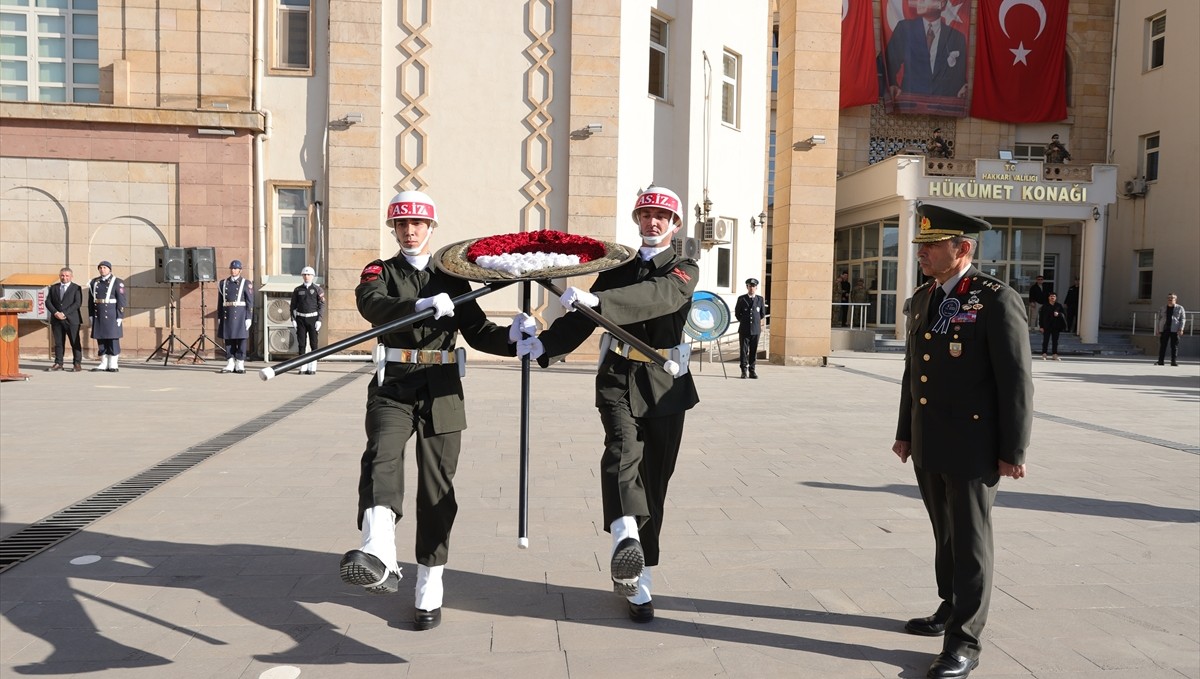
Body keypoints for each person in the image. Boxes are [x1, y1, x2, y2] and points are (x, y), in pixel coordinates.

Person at [339, 190, 530, 632]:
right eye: (402, 224)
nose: (410, 231)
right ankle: (379, 552)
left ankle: (430, 579)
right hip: (395, 385)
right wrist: (418, 306)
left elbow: (478, 331)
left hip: (443, 388)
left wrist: (514, 338)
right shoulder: (380, 271)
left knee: (437, 487)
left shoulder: (453, 278)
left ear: (431, 228)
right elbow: (372, 305)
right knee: (381, 458)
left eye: (418, 224)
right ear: (393, 228)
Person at [518, 185, 700, 623]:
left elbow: (658, 297)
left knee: (654, 482)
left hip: (665, 386)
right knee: (621, 452)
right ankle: (624, 538)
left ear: (675, 225)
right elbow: (583, 317)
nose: (652, 222)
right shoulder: (616, 268)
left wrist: (600, 300)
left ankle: (640, 578)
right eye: (645, 214)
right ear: (637, 220)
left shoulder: (684, 268)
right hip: (618, 377)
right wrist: (542, 346)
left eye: (662, 216)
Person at [893, 203, 1033, 679]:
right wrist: (904, 431)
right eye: (921, 247)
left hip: (974, 444)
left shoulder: (994, 298)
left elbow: (1016, 381)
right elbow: (915, 370)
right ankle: (949, 608)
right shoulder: (925, 296)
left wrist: (1012, 450)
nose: (923, 255)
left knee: (971, 542)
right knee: (945, 533)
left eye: (932, 247)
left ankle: (965, 640)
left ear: (963, 248)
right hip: (931, 439)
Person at [885, 0, 969, 101]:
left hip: (943, 106)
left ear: (941, 4)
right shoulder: (904, 29)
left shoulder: (957, 37)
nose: (919, 1)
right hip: (910, 103)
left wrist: (961, 89)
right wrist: (892, 84)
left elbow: (959, 76)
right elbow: (888, 62)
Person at [87, 261, 127, 373]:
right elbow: (91, 300)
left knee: (113, 339)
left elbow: (122, 300)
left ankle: (113, 363)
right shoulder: (95, 282)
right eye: (100, 268)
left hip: (112, 315)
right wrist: (91, 315)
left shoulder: (117, 282)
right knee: (101, 340)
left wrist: (120, 316)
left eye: (105, 267)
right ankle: (104, 363)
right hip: (98, 315)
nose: (102, 270)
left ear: (110, 269)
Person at [216, 260, 253, 374]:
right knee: (228, 339)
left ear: (240, 270)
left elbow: (250, 302)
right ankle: (230, 361)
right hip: (227, 314)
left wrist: (248, 317)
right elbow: (220, 301)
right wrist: (219, 316)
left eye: (236, 268)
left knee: (241, 339)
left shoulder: (245, 283)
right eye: (232, 268)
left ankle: (240, 362)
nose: (233, 270)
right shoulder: (223, 283)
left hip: (240, 314)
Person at [46, 267, 83, 372]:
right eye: (62, 275)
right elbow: (48, 302)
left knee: (74, 342)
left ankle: (77, 364)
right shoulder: (53, 288)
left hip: (72, 320)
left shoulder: (76, 288)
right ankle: (58, 363)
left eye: (67, 276)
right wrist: (56, 313)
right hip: (57, 320)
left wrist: (64, 313)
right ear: (59, 276)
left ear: (71, 277)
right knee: (58, 343)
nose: (64, 277)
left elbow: (77, 303)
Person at [290, 266, 325, 375]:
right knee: (302, 343)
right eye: (305, 275)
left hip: (313, 318)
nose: (306, 277)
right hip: (301, 318)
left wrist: (319, 319)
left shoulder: (317, 289)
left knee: (314, 343)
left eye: (309, 275)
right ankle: (303, 366)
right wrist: (293, 319)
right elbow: (293, 306)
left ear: (313, 276)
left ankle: (312, 366)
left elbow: (321, 305)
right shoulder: (297, 290)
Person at [735, 277, 766, 379]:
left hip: (756, 329)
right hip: (744, 329)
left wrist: (755, 324)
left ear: (756, 287)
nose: (751, 288)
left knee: (753, 350)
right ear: (747, 287)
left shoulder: (760, 299)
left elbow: (762, 314)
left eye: (753, 286)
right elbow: (737, 314)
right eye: (749, 286)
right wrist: (745, 321)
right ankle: (743, 370)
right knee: (744, 351)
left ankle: (752, 370)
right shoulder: (741, 299)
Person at [1155, 293, 1186, 366]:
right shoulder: (1163, 308)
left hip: (1174, 330)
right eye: (1169, 298)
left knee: (1174, 346)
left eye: (1172, 298)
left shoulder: (1180, 308)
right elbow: (1158, 319)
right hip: (1164, 329)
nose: (1170, 299)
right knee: (1163, 346)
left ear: (1175, 300)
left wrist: (1181, 329)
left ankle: (1173, 361)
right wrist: (1158, 329)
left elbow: (1183, 319)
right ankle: (1160, 361)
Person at [1038, 291, 1067, 360]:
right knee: (1045, 341)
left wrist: (1058, 314)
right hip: (1046, 326)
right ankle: (1044, 354)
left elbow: (1064, 315)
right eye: (1051, 296)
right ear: (1048, 298)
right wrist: (1041, 326)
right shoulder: (1045, 306)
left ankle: (1055, 354)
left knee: (1055, 341)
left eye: (1054, 296)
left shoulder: (1058, 305)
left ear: (1056, 298)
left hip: (1056, 326)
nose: (1052, 298)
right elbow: (1041, 317)